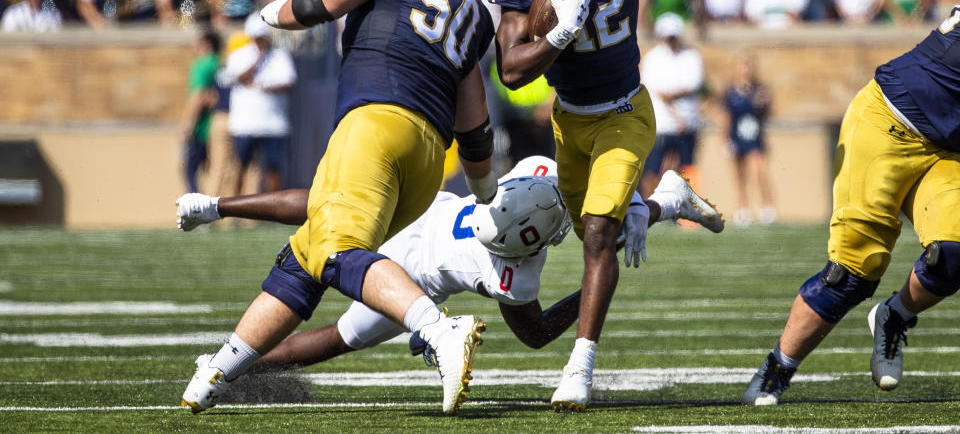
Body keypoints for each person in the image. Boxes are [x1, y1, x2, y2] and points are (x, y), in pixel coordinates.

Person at [182, 0, 498, 417]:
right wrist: (485, 191)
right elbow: (475, 123)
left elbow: (321, 0)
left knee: (336, 248)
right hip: (427, 156)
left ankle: (439, 329)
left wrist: (269, 14)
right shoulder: (470, 11)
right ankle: (221, 369)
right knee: (306, 259)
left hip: (376, 121)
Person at [483, 0, 717, 411]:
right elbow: (510, 72)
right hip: (570, 119)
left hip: (625, 110)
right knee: (595, 232)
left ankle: (580, 367)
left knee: (596, 233)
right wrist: (557, 35)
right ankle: (665, 203)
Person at [175, 155, 722, 385]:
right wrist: (594, 291)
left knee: (329, 209)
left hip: (428, 218)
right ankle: (666, 202)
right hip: (418, 259)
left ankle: (215, 212)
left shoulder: (530, 175)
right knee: (342, 329)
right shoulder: (521, 256)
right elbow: (532, 334)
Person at [742, 4, 960, 405]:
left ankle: (893, 315)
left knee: (953, 255)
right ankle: (777, 369)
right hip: (889, 123)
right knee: (854, 273)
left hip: (947, 149)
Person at [222, 14, 296, 195]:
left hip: (273, 124)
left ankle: (274, 212)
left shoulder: (280, 56)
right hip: (245, 124)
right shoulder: (239, 55)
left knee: (273, 167)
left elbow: (288, 82)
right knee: (240, 166)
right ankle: (235, 213)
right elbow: (235, 78)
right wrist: (257, 60)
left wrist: (266, 87)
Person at [639, 13, 705, 198]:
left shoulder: (691, 56)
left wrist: (672, 95)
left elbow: (693, 84)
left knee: (685, 170)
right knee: (653, 170)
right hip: (660, 124)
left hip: (687, 124)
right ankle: (651, 209)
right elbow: (656, 90)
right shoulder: (653, 58)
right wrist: (676, 110)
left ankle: (683, 215)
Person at [722, 54, 775, 228]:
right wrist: (725, 140)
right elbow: (725, 118)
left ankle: (767, 208)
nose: (745, 70)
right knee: (740, 176)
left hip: (755, 136)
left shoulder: (760, 90)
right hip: (737, 136)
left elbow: (769, 112)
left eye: (748, 66)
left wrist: (765, 103)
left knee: (759, 172)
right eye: (742, 66)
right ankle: (742, 209)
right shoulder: (730, 92)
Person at [180, 30, 221, 193]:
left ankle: (196, 207)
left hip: (201, 127)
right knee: (215, 170)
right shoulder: (220, 63)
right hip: (219, 125)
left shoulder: (201, 65)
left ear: (207, 44)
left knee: (189, 170)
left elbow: (198, 97)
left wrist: (187, 125)